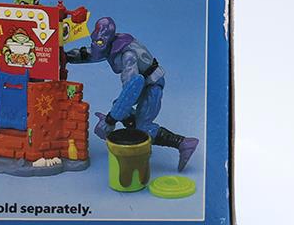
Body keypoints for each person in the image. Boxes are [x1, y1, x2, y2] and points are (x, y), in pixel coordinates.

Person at [65, 17, 198, 171]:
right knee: (122, 109)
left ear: (108, 38)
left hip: (152, 87)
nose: (96, 44)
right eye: (94, 40)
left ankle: (183, 143)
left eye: (100, 41)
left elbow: (132, 88)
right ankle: (137, 139)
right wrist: (67, 56)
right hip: (142, 84)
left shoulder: (128, 55)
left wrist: (110, 120)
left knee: (143, 126)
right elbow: (92, 53)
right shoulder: (110, 44)